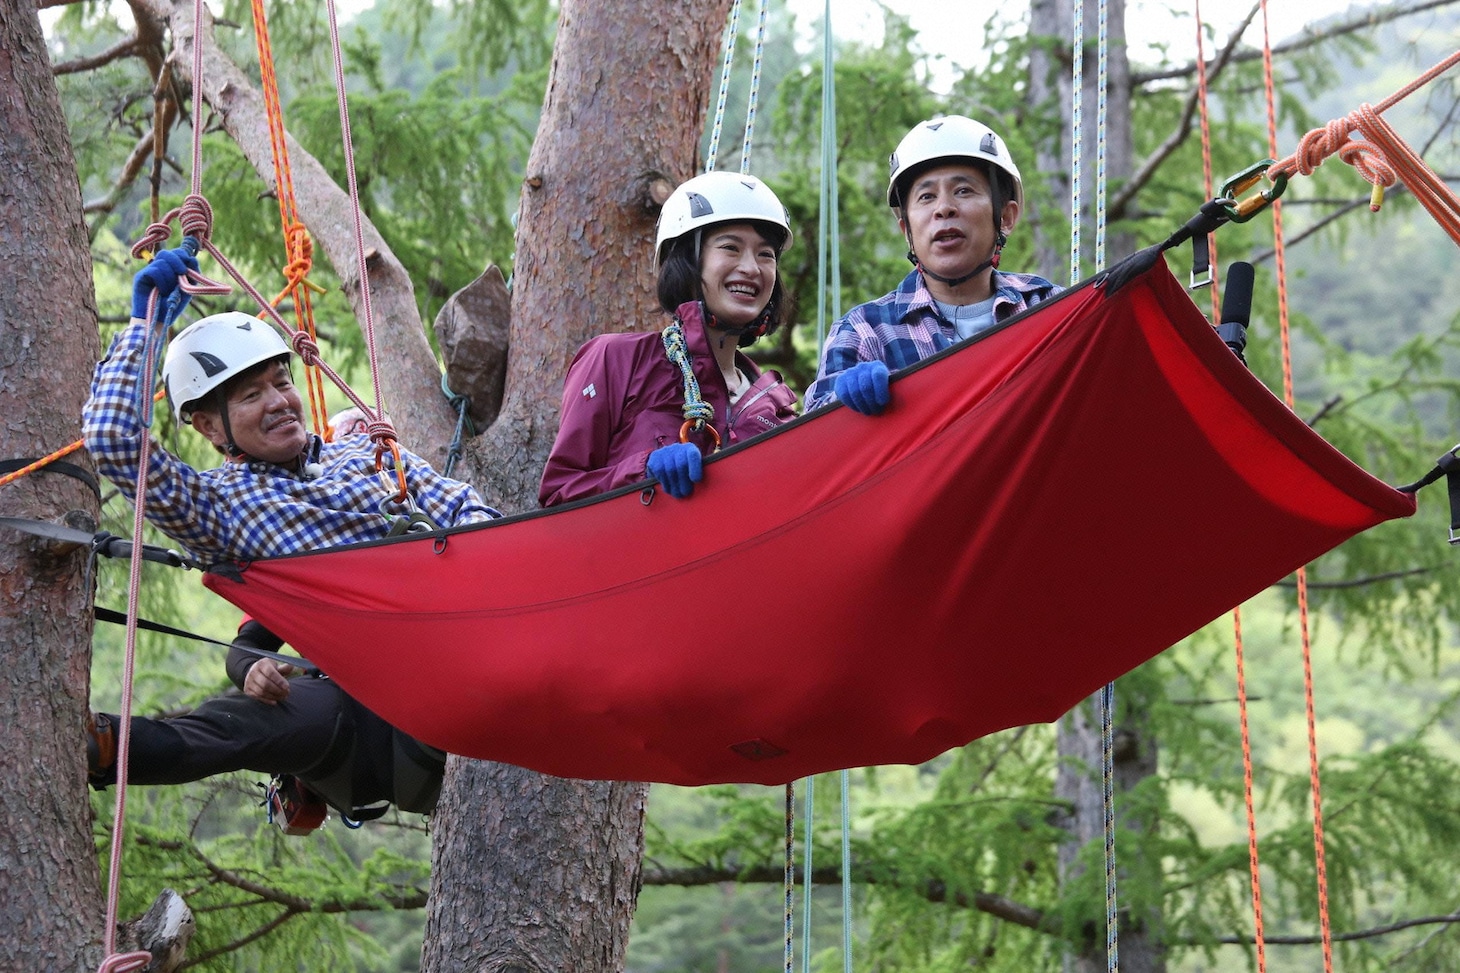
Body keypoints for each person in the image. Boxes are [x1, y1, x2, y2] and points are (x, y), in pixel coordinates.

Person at [83, 247, 500, 819]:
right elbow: (112, 441)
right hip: (373, 727)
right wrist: (144, 330)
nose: (280, 402)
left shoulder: (370, 455)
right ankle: (105, 746)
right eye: (252, 396)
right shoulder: (221, 509)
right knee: (258, 720)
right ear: (209, 427)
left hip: (468, 658)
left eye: (282, 383)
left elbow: (469, 513)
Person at [538, 170, 799, 506]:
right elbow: (559, 494)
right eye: (731, 248)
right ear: (687, 261)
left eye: (767, 255)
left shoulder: (777, 410)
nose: (752, 267)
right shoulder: (617, 360)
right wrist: (642, 471)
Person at [804, 115, 1061, 415]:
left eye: (963, 190)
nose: (944, 208)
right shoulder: (865, 332)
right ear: (907, 231)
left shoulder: (1047, 307)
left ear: (1005, 217)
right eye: (926, 196)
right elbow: (815, 445)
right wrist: (839, 406)